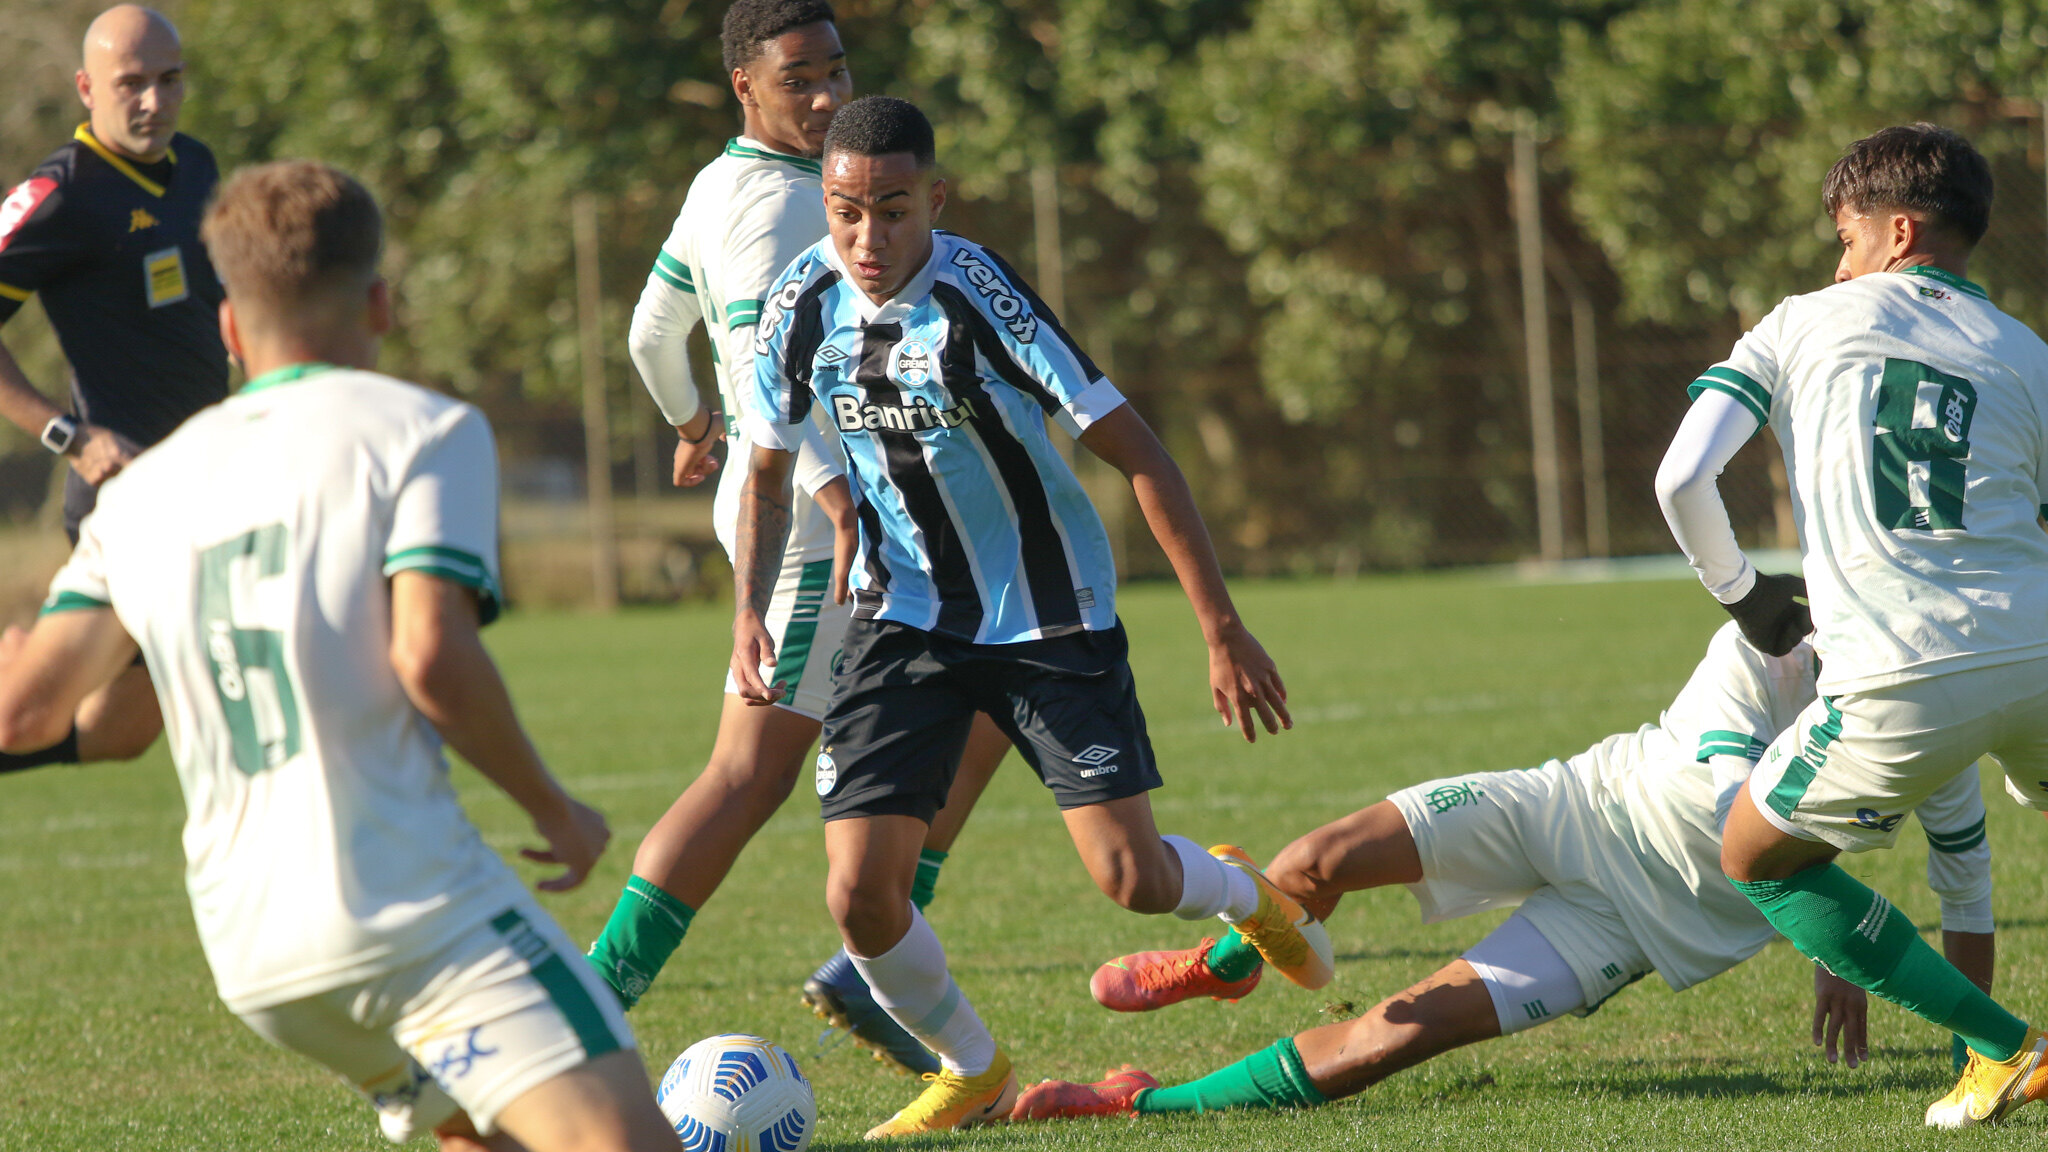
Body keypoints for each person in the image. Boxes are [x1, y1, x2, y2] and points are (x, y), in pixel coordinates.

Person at [0, 160, 678, 1152]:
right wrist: (555, 811)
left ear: (227, 326)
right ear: (380, 302)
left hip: (254, 951)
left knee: (482, 1138)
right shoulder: (421, 430)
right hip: (405, 909)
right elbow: (432, 657)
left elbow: (23, 714)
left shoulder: (139, 495)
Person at [736, 94, 1323, 1137]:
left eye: (894, 210)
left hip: (1043, 616)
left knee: (1132, 880)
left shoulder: (979, 297)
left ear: (936, 200)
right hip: (898, 616)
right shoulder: (800, 301)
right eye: (845, 212)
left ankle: (1239, 893)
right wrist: (748, 612)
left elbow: (1137, 450)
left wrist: (1220, 627)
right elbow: (766, 467)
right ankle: (974, 1071)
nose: (868, 239)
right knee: (862, 897)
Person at [1011, 623, 1997, 1119]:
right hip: (1570, 804)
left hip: (1642, 927)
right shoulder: (1764, 641)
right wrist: (1818, 917)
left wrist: (1968, 1056)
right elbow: (1724, 803)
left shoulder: (1933, 740)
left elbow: (1968, 898)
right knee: (1314, 861)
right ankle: (1225, 964)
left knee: (1389, 1039)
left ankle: (1134, 1101)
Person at [591, 0, 1011, 1077]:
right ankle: (601, 1001)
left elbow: (650, 333)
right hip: (824, 531)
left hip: (796, 516)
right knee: (746, 772)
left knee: (985, 694)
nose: (825, 97)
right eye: (798, 81)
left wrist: (693, 426)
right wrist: (830, 494)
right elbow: (781, 382)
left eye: (834, 71)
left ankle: (868, 959)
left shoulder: (715, 185)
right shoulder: (791, 211)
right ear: (745, 86)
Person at [1655, 122, 2048, 1128]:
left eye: (1844, 232)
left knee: (1752, 855)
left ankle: (2004, 1048)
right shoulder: (2026, 354)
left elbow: (1682, 478)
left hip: (1901, 669)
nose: (1838, 260)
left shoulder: (1797, 322)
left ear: (1897, 230)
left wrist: (1746, 597)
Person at [0, 5, 228, 775]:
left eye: (169, 81)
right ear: (85, 89)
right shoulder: (59, 194)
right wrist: (69, 436)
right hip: (126, 501)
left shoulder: (195, 167)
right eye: (130, 83)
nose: (153, 101)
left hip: (207, 484)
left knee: (121, 732)